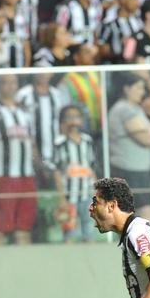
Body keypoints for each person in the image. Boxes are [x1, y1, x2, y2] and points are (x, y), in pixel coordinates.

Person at [0, 73, 38, 245]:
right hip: (3, 175)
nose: (10, 86)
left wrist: (37, 164)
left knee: (24, 225)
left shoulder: (25, 111)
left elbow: (31, 142)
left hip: (26, 175)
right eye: (5, 83)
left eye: (13, 82)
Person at [106, 71, 150, 220]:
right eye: (138, 88)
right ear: (126, 88)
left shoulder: (136, 109)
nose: (142, 92)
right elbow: (148, 139)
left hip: (139, 170)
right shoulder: (124, 109)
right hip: (129, 170)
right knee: (142, 215)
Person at [52, 104, 95, 243]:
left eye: (76, 117)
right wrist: (61, 196)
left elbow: (91, 166)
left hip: (86, 191)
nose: (73, 121)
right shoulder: (60, 143)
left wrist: (96, 190)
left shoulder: (87, 141)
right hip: (70, 193)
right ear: (63, 121)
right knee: (70, 228)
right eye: (69, 117)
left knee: (89, 225)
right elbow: (57, 171)